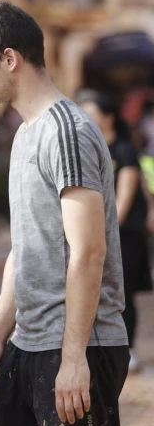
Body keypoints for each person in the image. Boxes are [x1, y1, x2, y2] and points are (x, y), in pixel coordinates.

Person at [0, 2, 129, 426]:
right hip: (29, 345)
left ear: (9, 58)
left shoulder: (67, 132)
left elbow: (89, 251)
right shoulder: (26, 134)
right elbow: (24, 247)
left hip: (77, 348)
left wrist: (74, 358)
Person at [77, 90, 152, 372]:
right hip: (95, 233)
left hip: (124, 235)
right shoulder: (86, 150)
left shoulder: (123, 149)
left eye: (91, 114)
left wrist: (100, 233)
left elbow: (124, 201)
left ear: (107, 118)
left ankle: (128, 348)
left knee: (123, 292)